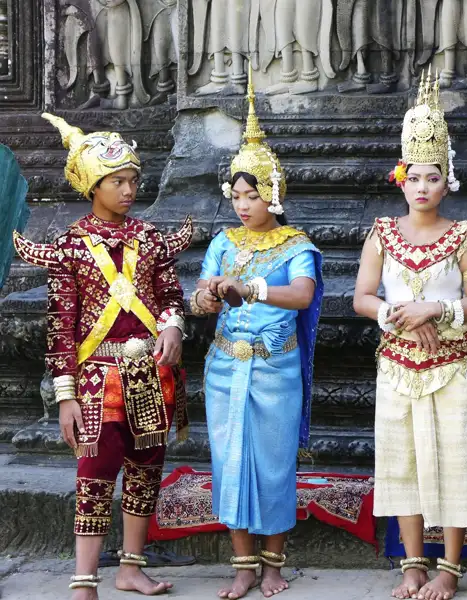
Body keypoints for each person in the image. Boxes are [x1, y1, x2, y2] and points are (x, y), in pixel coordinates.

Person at [13, 113, 193, 599]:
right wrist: (65, 396)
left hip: (150, 374)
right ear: (93, 186)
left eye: (133, 180)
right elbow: (60, 328)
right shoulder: (71, 247)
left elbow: (172, 295)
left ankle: (131, 568)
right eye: (118, 181)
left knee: (145, 470)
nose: (129, 189)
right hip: (95, 380)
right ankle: (84, 579)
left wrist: (174, 324)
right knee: (94, 475)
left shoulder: (151, 240)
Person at [353, 70, 467, 600]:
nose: (422, 187)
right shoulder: (382, 233)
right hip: (397, 364)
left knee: (456, 458)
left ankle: (450, 568)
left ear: (447, 180)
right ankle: (412, 563)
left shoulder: (463, 238)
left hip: (454, 366)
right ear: (401, 178)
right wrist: (400, 313)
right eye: (414, 177)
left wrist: (436, 307)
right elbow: (362, 297)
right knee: (402, 462)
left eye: (432, 178)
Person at [190, 72, 323, 600]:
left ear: (273, 194)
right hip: (225, 366)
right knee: (230, 464)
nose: (243, 204)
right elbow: (203, 291)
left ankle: (273, 564)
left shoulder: (297, 244)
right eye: (237, 194)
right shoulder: (223, 241)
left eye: (252, 194)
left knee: (272, 465)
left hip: (274, 367)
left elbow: (303, 297)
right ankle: (242, 565)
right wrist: (204, 299)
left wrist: (252, 288)